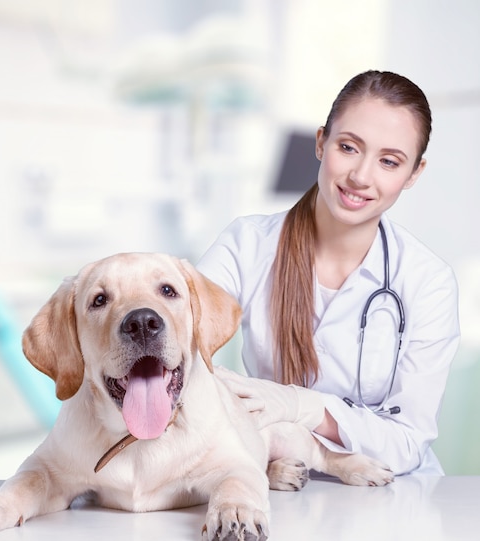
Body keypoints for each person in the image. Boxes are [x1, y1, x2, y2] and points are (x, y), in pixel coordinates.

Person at [196, 70, 460, 476]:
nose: (361, 176)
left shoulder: (427, 282)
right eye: (349, 147)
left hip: (393, 495)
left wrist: (305, 407)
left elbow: (407, 442)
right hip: (276, 479)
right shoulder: (246, 246)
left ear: (414, 174)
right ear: (321, 142)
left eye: (389, 161)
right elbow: (180, 342)